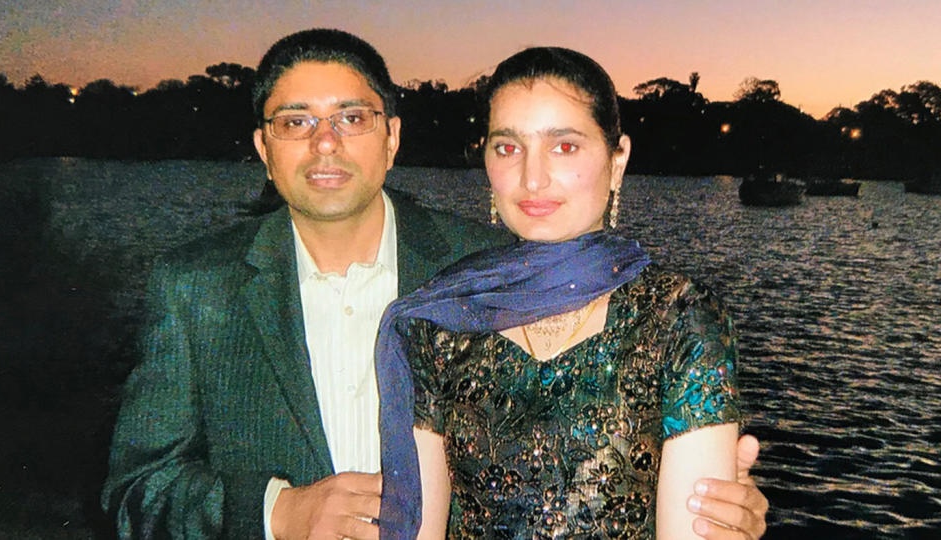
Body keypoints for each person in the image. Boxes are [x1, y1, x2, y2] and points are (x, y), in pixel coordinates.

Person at [103, 29, 767, 539]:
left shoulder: (487, 270)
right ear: (262, 146)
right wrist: (279, 513)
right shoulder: (195, 286)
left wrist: (715, 504)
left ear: (392, 137)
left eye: (353, 118)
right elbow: (137, 491)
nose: (326, 143)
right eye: (296, 121)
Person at [375, 47, 766, 539]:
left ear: (617, 159)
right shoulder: (443, 322)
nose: (532, 178)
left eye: (564, 146)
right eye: (507, 148)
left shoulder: (680, 318)